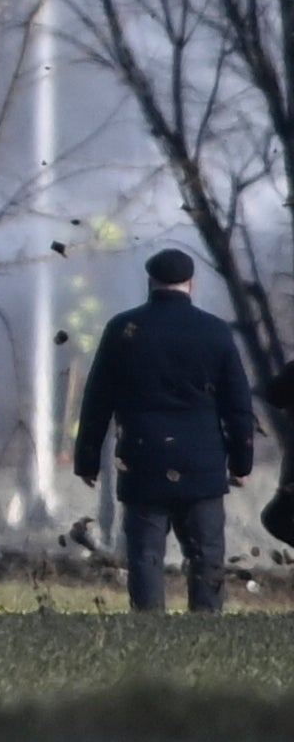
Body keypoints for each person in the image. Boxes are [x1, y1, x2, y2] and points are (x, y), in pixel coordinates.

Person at [75, 247, 262, 615]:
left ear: (150, 283)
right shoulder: (214, 331)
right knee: (206, 552)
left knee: (145, 553)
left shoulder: (123, 330)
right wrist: (241, 462)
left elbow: (97, 400)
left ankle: (148, 621)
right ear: (191, 284)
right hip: (202, 461)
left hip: (142, 458)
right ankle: (206, 620)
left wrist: (87, 459)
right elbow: (238, 405)